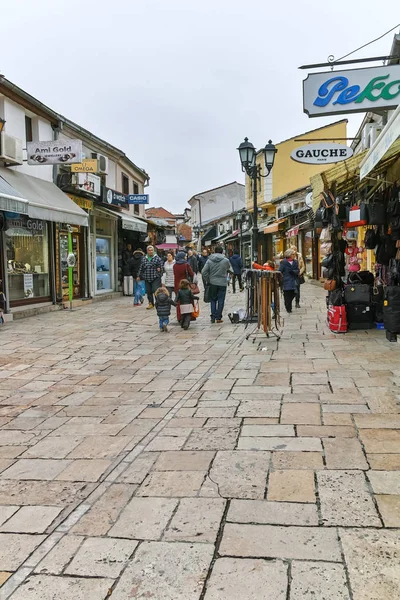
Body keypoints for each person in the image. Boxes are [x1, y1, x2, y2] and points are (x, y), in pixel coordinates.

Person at [201, 246, 231, 324]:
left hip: (212, 282)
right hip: (222, 283)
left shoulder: (209, 260)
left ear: (214, 251)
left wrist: (208, 279)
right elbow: (230, 270)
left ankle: (213, 316)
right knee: (221, 300)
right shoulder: (226, 260)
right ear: (222, 252)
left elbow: (203, 272)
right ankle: (218, 317)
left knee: (213, 299)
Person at [137, 245, 163, 309]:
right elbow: (141, 268)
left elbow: (161, 267)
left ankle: (158, 303)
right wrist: (138, 275)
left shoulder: (157, 258)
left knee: (155, 290)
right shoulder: (144, 258)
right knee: (148, 291)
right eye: (149, 250)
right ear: (147, 251)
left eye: (152, 250)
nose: (151, 251)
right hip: (147, 277)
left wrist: (159, 271)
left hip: (155, 277)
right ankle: (151, 303)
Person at [173, 251, 194, 322]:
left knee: (178, 301)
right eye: (185, 256)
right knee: (187, 300)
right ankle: (187, 316)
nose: (186, 257)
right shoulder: (186, 265)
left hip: (177, 285)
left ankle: (180, 317)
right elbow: (191, 274)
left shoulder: (174, 265)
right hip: (185, 285)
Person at [279, 249, 300, 314]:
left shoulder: (295, 262)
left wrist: (293, 272)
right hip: (286, 280)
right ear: (289, 255)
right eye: (293, 254)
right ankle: (288, 307)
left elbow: (298, 270)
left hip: (294, 280)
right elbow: (280, 271)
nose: (294, 255)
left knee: (295, 293)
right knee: (287, 294)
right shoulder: (283, 262)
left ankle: (288, 303)